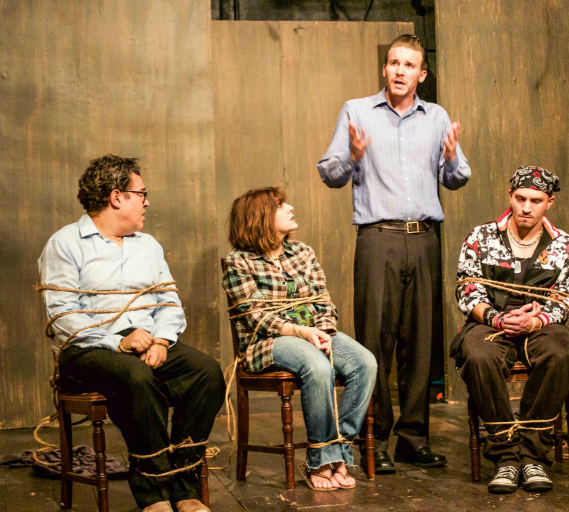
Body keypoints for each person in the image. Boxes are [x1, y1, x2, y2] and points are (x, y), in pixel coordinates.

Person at [317, 33, 470, 473]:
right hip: (378, 238)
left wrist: (452, 155)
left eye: (409, 65)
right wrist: (352, 154)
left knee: (421, 342)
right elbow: (330, 173)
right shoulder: (357, 111)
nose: (400, 71)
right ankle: (375, 438)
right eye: (393, 63)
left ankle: (413, 438)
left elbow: (457, 178)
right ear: (385, 69)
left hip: (423, 238)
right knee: (376, 339)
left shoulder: (436, 117)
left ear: (422, 74)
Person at [38, 155, 225, 512]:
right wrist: (118, 341)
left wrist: (162, 341)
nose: (147, 201)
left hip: (147, 343)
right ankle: (153, 492)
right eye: (142, 193)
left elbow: (169, 302)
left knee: (205, 371)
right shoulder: (65, 244)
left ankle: (184, 487)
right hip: (87, 350)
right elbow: (62, 315)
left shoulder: (148, 245)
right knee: (136, 375)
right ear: (116, 196)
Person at [222, 187, 377, 491]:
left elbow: (323, 302)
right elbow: (256, 317)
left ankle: (339, 450)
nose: (290, 207)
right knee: (317, 366)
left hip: (313, 332)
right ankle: (320, 459)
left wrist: (325, 331)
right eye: (281, 205)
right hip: (267, 342)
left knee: (365, 362)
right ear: (261, 217)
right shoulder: (238, 262)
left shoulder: (302, 252)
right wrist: (302, 332)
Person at [451, 166, 569, 494]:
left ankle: (532, 454)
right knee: (478, 355)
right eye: (520, 198)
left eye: (535, 200)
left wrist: (534, 321)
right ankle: (506, 455)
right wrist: (497, 318)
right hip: (489, 323)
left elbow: (563, 300)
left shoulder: (563, 244)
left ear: (549, 202)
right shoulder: (480, 237)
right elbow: (466, 290)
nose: (526, 207)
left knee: (559, 351)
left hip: (541, 326)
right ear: (510, 197)